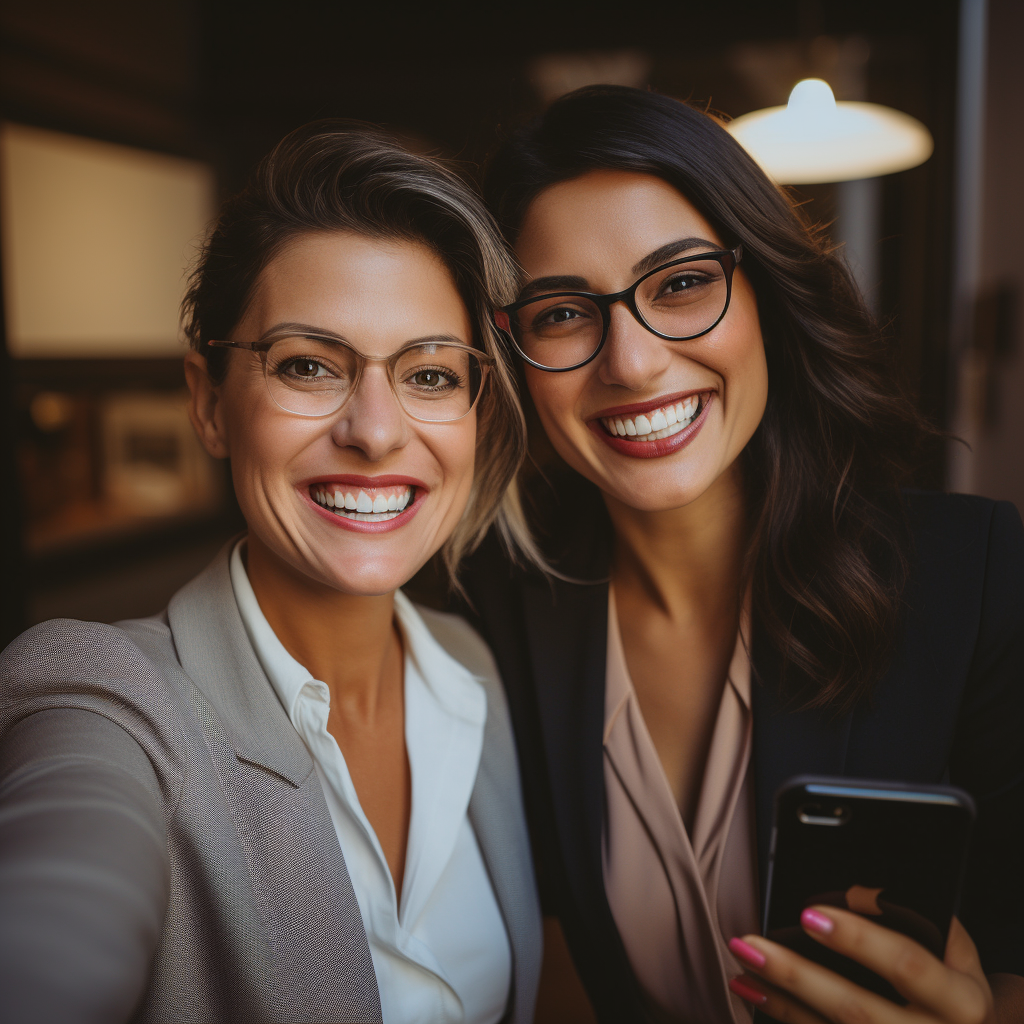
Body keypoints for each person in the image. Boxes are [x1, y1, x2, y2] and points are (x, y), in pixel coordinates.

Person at [457, 85, 1024, 1024]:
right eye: (562, 312)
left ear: (763, 289)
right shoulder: (493, 610)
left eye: (680, 283)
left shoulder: (973, 577)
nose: (631, 364)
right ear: (515, 355)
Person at [0, 121, 542, 1024]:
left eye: (431, 375)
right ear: (209, 403)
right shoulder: (109, 700)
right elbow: (52, 924)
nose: (375, 430)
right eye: (307, 365)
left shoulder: (472, 669)